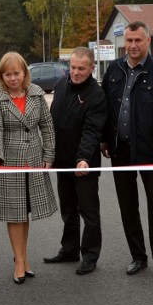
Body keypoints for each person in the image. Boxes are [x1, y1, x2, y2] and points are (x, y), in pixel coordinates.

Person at [101, 21, 153, 282]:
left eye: (138, 41)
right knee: (128, 205)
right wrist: (104, 140)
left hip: (150, 152)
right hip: (120, 150)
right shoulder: (114, 70)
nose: (133, 45)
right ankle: (138, 256)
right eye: (129, 40)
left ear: (148, 42)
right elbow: (105, 110)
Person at [0, 51, 57, 284]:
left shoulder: (36, 94)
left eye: (17, 73)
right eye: (8, 74)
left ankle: (23, 258)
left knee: (26, 211)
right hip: (9, 161)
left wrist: (49, 153)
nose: (13, 78)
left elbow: (47, 126)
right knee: (15, 213)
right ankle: (19, 261)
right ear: (1, 76)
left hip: (34, 159)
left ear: (24, 72)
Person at [43, 47, 107, 275]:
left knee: (89, 212)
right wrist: (49, 153)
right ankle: (69, 249)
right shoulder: (61, 85)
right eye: (73, 67)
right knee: (68, 209)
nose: (76, 72)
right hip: (62, 161)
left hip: (84, 165)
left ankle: (90, 255)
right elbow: (53, 120)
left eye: (81, 68)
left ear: (91, 68)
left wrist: (82, 159)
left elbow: (92, 131)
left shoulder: (97, 95)